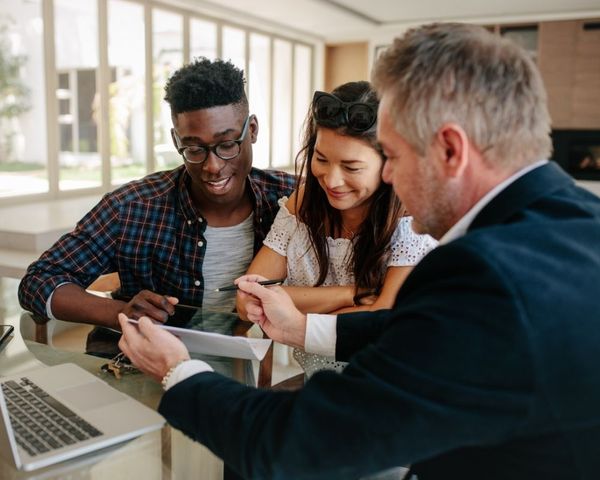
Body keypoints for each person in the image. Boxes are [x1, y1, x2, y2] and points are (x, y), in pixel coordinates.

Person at [118, 23, 600, 480]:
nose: (386, 177)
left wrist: (177, 370)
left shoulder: (486, 273)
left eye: (391, 155)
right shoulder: (577, 221)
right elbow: (418, 329)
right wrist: (302, 328)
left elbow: (295, 446)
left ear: (450, 150)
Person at [18, 58, 295, 338]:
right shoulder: (132, 208)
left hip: (251, 372)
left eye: (226, 145)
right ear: (176, 141)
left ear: (253, 130)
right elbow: (38, 281)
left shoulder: (292, 200)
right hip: (140, 369)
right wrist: (120, 313)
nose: (212, 166)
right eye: (194, 149)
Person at [236, 81, 436, 377]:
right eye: (321, 159)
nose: (332, 180)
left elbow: (382, 321)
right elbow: (248, 301)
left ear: (389, 163)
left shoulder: (411, 217)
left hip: (392, 392)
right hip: (318, 388)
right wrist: (352, 294)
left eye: (351, 167)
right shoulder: (302, 204)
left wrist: (291, 308)